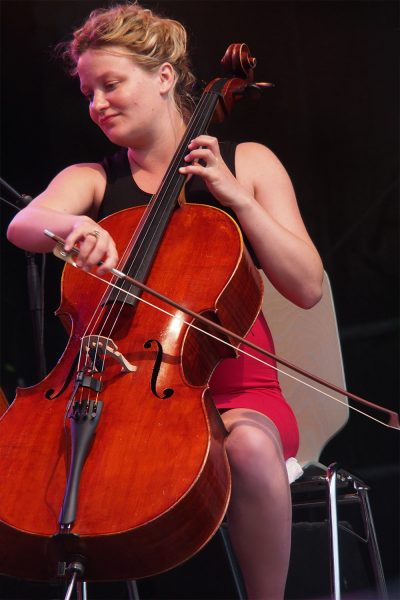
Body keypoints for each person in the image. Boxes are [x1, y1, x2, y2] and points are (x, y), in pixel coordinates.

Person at [7, 3, 323, 598]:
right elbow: (24, 222)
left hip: (238, 390)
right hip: (123, 394)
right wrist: (71, 229)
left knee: (251, 449)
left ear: (164, 77)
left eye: (111, 84)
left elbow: (307, 287)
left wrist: (241, 201)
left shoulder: (248, 164)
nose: (97, 103)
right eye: (87, 91)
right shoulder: (95, 179)